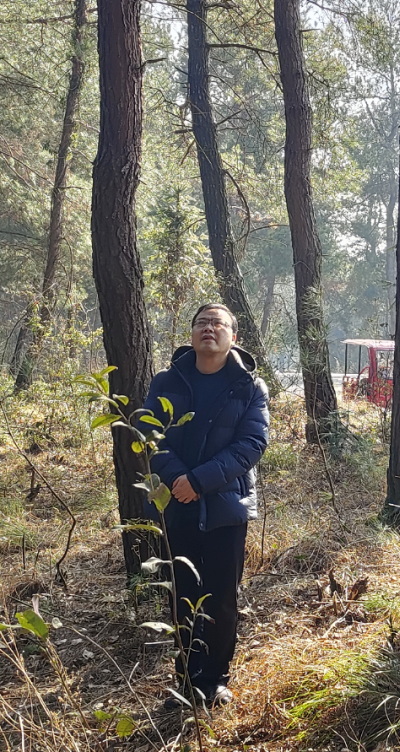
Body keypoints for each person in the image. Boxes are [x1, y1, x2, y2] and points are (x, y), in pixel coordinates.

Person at [145, 303, 270, 709]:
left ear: (233, 336)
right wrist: (179, 480)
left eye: (218, 324)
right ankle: (185, 680)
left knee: (220, 597)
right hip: (176, 505)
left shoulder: (250, 386)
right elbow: (150, 436)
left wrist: (199, 481)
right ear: (192, 334)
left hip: (225, 508)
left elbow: (251, 445)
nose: (208, 329)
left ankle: (214, 680)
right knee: (181, 594)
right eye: (201, 323)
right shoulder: (168, 380)